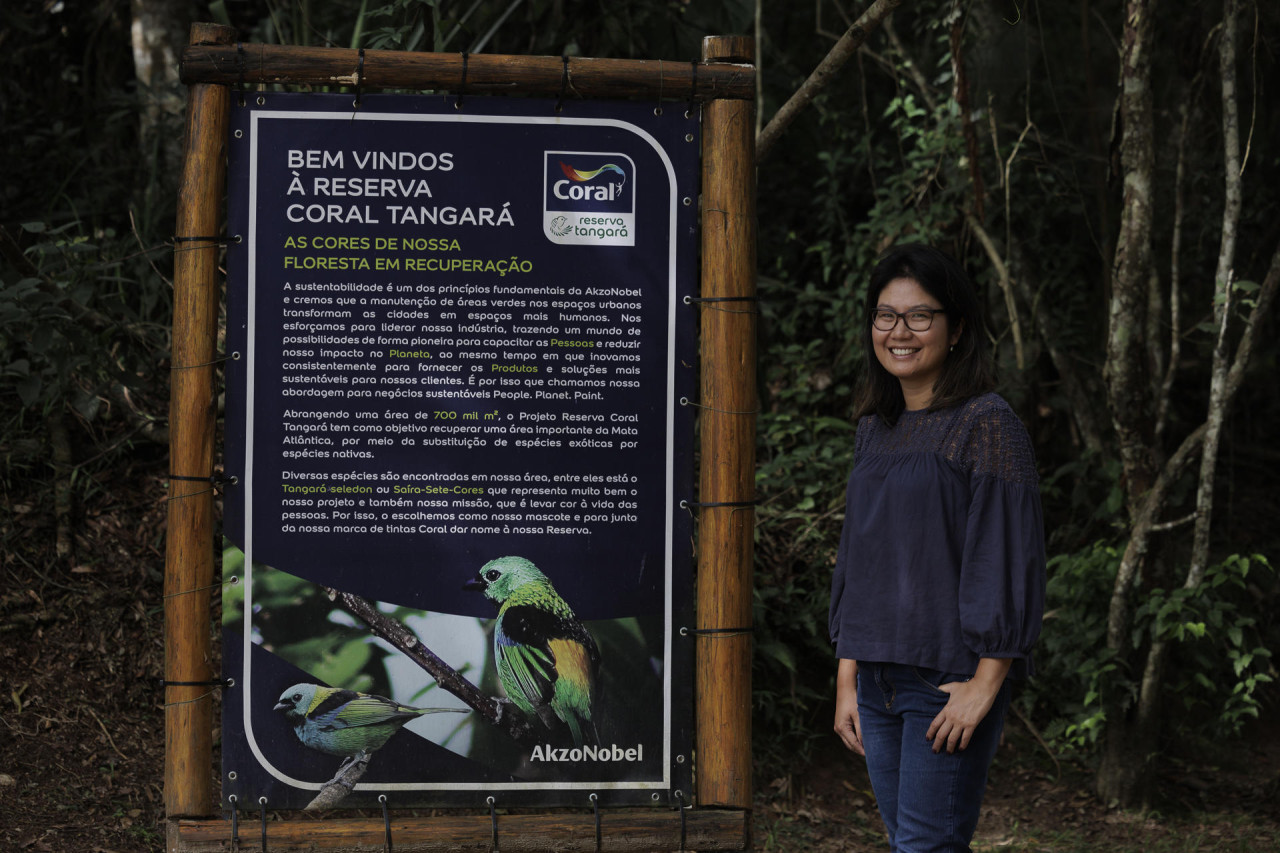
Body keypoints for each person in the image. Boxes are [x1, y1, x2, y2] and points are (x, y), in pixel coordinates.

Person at [829, 243, 1045, 853]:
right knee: (912, 843)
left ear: (956, 331)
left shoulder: (986, 421)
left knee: (926, 845)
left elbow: (1006, 552)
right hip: (875, 678)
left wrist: (986, 682)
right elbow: (860, 556)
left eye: (920, 316)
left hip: (945, 678)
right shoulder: (876, 428)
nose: (899, 331)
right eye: (885, 315)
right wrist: (848, 676)